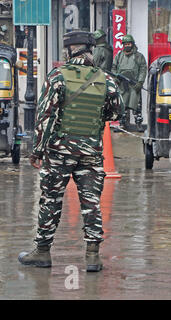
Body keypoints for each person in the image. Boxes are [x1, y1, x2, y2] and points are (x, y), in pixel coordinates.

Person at [18, 31, 123, 272]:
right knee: (91, 202)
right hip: (91, 151)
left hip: (59, 151)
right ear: (89, 50)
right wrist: (95, 119)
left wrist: (37, 150)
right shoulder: (106, 79)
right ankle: (93, 257)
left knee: (51, 200)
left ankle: (42, 252)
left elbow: (44, 116)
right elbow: (117, 113)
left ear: (69, 50)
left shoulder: (57, 77)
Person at [112, 34, 147, 131]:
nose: (127, 45)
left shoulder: (139, 56)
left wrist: (140, 82)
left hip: (134, 84)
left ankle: (138, 124)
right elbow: (114, 67)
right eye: (125, 44)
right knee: (122, 106)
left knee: (137, 106)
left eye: (129, 43)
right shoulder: (119, 56)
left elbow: (143, 69)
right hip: (122, 85)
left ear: (132, 44)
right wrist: (116, 78)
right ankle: (122, 124)